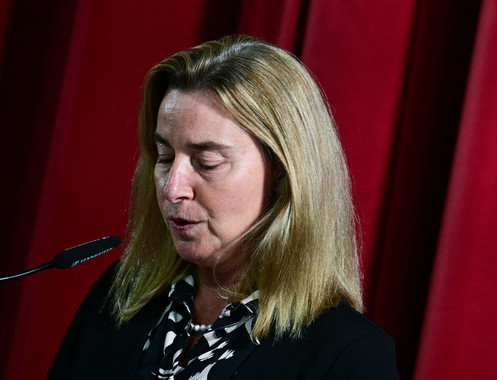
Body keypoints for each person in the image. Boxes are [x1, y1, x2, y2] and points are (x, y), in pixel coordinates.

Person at [47, 35, 398, 379]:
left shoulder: (349, 355)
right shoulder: (118, 295)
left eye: (207, 162)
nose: (172, 189)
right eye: (165, 157)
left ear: (281, 173)